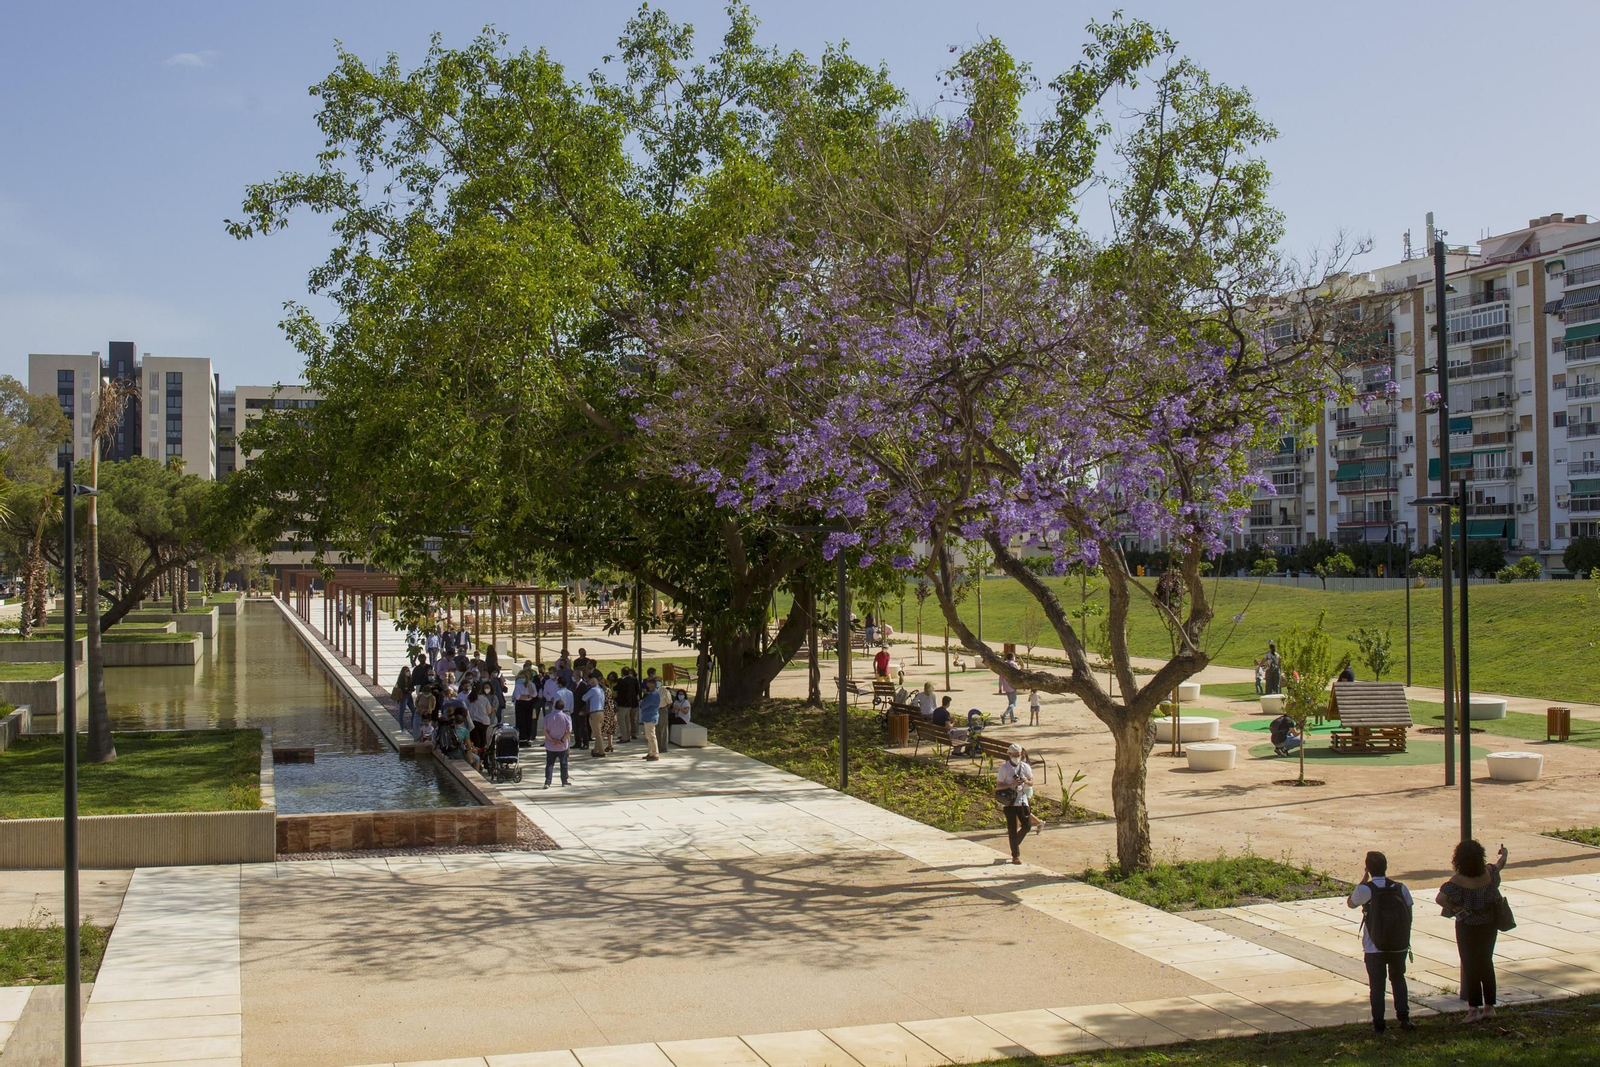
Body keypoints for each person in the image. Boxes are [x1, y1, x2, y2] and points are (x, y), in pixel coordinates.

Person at [1438, 840, 1510, 1024]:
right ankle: (1489, 1007)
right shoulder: (1489, 873)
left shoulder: (1457, 881)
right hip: (1489, 925)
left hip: (1467, 927)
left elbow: (1441, 898)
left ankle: (1473, 1010)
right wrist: (1504, 854)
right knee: (1486, 963)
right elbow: (1500, 864)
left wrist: (1457, 909)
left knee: (1470, 966)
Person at [1347, 851, 1415, 1033]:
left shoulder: (1365, 890)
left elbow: (1350, 903)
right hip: (1398, 945)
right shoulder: (1400, 888)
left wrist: (1362, 881)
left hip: (1374, 946)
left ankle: (1379, 1023)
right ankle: (1404, 1018)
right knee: (1398, 979)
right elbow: (1409, 914)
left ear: (1367, 868)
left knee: (1377, 985)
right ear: (1386, 867)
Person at [995, 744, 1034, 864]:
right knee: (1012, 828)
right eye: (1015, 755)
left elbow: (1031, 782)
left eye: (1019, 755)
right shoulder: (1004, 768)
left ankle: (1015, 843)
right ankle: (1015, 855)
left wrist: (1025, 781)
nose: (1017, 757)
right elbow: (998, 786)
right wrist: (1011, 785)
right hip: (1009, 802)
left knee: (1027, 825)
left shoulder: (1025, 767)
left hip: (1022, 799)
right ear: (1009, 755)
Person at [542, 698, 573, 787]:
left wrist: (551, 740)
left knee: (550, 764)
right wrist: (562, 740)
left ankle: (548, 781)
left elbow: (544, 730)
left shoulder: (548, 717)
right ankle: (564, 781)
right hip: (562, 745)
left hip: (550, 745)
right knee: (563, 763)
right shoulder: (567, 717)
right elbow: (569, 731)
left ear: (554, 706)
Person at [466, 682, 496, 752]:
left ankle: (476, 755)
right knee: (484, 742)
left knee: (475, 742)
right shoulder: (484, 699)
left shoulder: (468, 699)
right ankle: (483, 756)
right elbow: (489, 711)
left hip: (472, 723)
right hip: (484, 723)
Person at [511, 665, 538, 746]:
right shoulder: (518, 684)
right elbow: (518, 696)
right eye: (521, 677)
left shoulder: (532, 685)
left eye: (523, 677)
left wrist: (529, 689)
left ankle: (528, 738)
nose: (522, 679)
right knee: (520, 722)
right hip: (520, 705)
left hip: (529, 705)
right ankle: (521, 739)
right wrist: (527, 696)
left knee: (529, 721)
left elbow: (534, 694)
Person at [638, 678, 662, 761]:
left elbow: (644, 705)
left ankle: (655, 753)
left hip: (650, 717)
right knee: (649, 736)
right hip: (648, 717)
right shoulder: (651, 694)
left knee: (651, 736)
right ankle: (651, 752)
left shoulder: (653, 695)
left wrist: (641, 703)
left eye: (648, 684)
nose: (647, 686)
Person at [614, 667, 640, 743]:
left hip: (622, 703)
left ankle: (624, 737)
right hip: (630, 702)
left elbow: (616, 688)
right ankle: (628, 735)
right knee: (627, 720)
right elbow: (637, 690)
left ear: (622, 673)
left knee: (622, 720)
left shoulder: (621, 681)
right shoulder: (634, 680)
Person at [586, 673, 608, 758]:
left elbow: (584, 697)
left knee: (597, 733)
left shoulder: (593, 690)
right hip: (601, 712)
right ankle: (596, 749)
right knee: (597, 732)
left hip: (594, 712)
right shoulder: (601, 690)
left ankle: (601, 751)